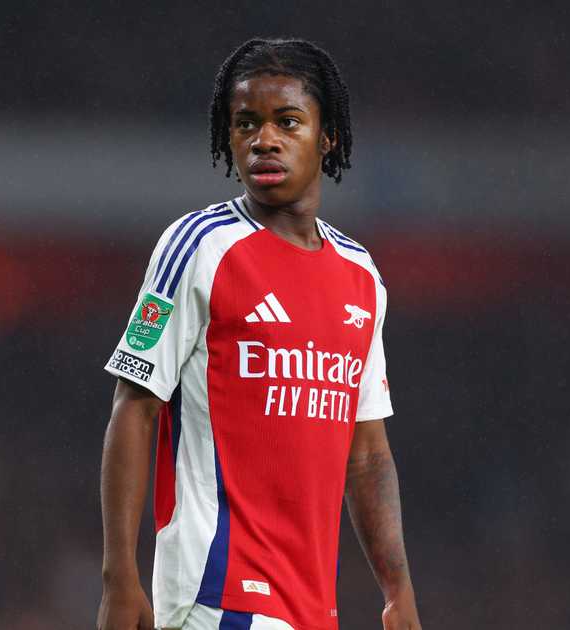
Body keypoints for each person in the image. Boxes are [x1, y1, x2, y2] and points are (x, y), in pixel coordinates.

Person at [98, 38, 421, 630]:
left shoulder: (361, 277)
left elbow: (368, 453)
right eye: (246, 123)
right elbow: (135, 408)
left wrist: (397, 590)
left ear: (328, 138)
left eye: (287, 121)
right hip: (217, 594)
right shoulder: (197, 247)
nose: (263, 140)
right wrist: (120, 577)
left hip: (314, 608)